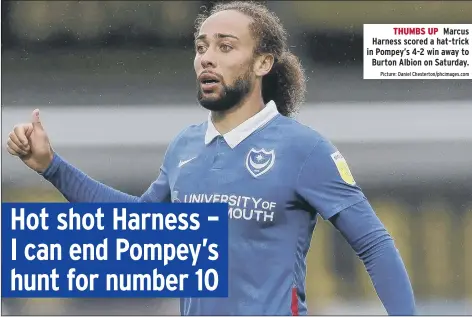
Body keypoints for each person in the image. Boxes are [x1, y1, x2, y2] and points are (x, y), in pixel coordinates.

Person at [6, 1, 415, 315]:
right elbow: (139, 226)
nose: (207, 57)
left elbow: (375, 244)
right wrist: (51, 166)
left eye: (225, 46)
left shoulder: (304, 149)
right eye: (201, 47)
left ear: (263, 63)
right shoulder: (185, 147)